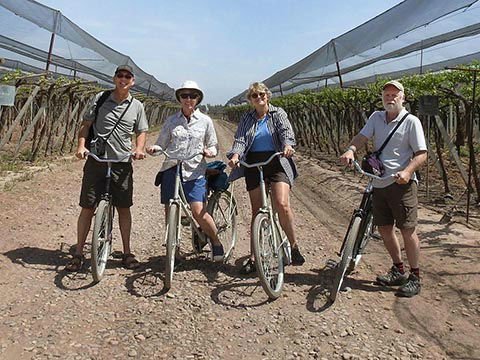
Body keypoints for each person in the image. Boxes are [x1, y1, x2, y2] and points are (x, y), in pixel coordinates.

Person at [340, 80, 427, 297]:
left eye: (394, 95)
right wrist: (351, 149)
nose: (390, 98)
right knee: (385, 228)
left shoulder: (411, 122)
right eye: (387, 95)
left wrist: (407, 172)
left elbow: (421, 154)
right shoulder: (376, 117)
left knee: (407, 230)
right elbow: (362, 137)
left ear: (403, 98)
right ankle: (398, 269)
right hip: (378, 182)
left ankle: (415, 276)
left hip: (401, 185)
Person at [65, 65, 148, 271]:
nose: (123, 79)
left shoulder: (137, 105)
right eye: (120, 75)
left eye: (127, 76)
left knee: (123, 207)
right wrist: (81, 146)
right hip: (97, 160)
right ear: (114, 79)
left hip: (122, 162)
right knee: (88, 205)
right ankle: (78, 253)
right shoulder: (100, 99)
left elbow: (141, 131)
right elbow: (86, 124)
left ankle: (127, 252)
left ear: (132, 81)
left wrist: (138, 149)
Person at [227, 82, 305, 274]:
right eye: (254, 96)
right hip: (253, 163)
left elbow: (286, 132)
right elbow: (241, 139)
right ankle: (254, 258)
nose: (259, 98)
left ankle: (294, 246)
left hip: (277, 159)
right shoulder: (247, 118)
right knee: (257, 211)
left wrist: (287, 145)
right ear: (250, 100)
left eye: (262, 94)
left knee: (282, 204)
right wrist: (236, 156)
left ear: (267, 96)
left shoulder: (278, 114)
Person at [146, 80, 224, 262]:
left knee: (198, 211)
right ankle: (174, 248)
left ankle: (216, 241)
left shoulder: (205, 121)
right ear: (179, 98)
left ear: (198, 99)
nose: (188, 99)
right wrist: (153, 149)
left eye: (192, 96)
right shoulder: (171, 121)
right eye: (184, 95)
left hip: (195, 171)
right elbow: (161, 143)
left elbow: (213, 145)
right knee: (171, 208)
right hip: (172, 169)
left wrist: (209, 152)